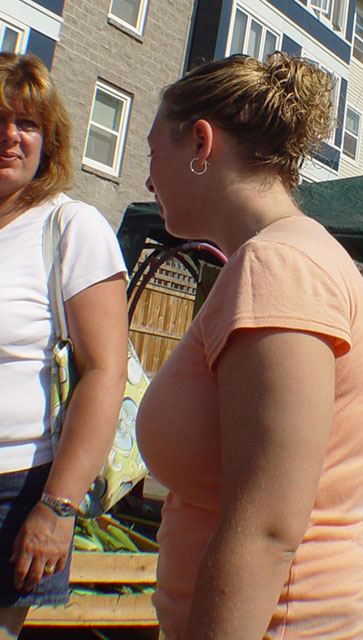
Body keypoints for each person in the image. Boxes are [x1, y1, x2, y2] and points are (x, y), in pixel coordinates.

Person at [137, 52, 363, 640]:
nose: (147, 180)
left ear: (201, 143)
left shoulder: (278, 267)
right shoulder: (289, 257)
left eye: (151, 153)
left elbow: (267, 530)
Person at [0, 52, 128, 639]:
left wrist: (57, 507)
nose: (10, 135)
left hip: (15, 489)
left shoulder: (71, 227)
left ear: (47, 140)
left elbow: (104, 372)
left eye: (27, 123)